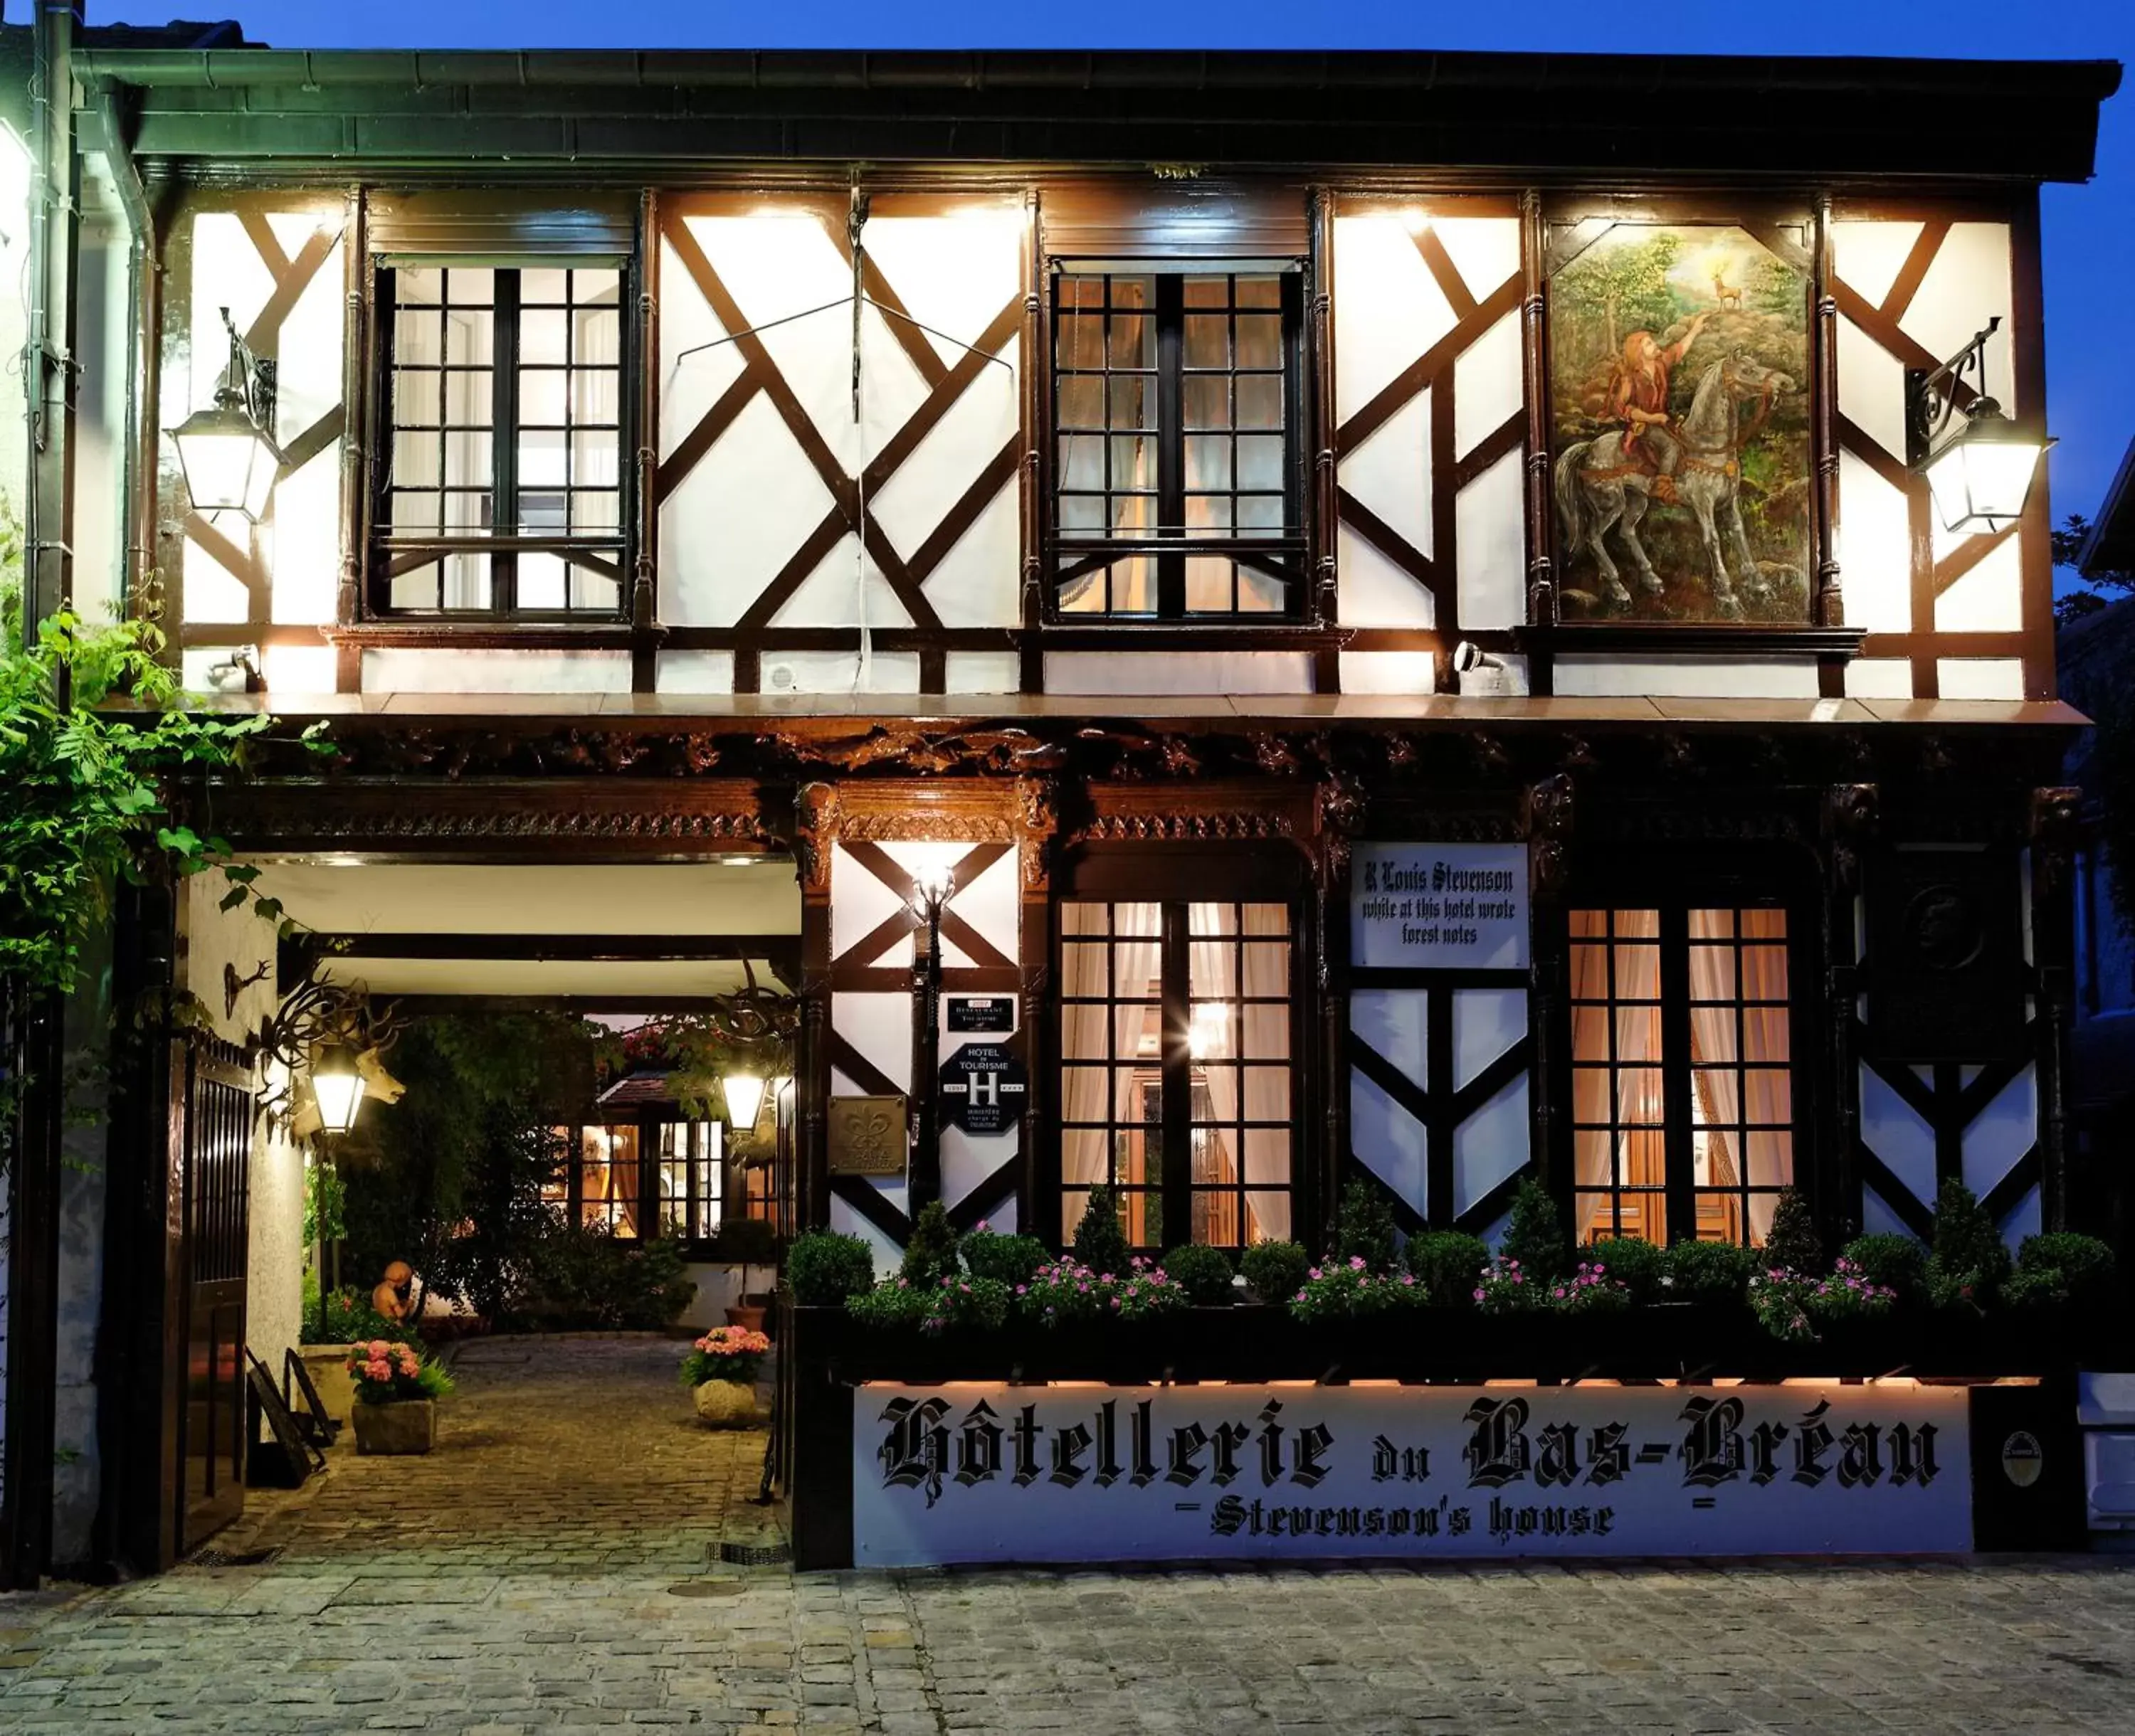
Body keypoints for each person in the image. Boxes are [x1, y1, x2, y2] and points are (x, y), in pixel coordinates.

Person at [1611, 309, 1712, 503]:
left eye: (1652, 341)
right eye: (1649, 344)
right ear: (1639, 352)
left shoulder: (1660, 365)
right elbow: (1619, 407)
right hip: (1642, 427)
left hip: (1662, 422)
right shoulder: (1630, 379)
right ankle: (1661, 489)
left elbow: (1678, 350)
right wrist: (1652, 418)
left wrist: (1696, 330)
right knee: (1671, 446)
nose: (1655, 345)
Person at [371, 1259, 413, 1323]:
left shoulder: (379, 1288)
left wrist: (402, 1303)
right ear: (401, 1279)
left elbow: (386, 1306)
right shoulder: (390, 1293)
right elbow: (400, 1314)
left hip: (380, 1322)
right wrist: (408, 1306)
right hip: (391, 1325)